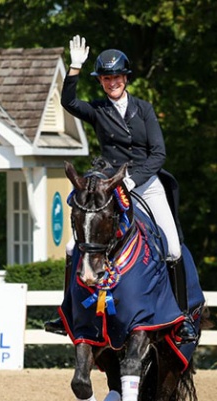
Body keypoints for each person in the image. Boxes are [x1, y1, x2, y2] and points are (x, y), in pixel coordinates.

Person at [45, 35, 197, 345]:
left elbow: (158, 154)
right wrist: (74, 67)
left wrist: (132, 180)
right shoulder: (98, 110)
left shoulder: (144, 109)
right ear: (100, 81)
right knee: (74, 248)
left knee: (172, 248)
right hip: (108, 183)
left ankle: (182, 319)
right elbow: (69, 103)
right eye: (105, 78)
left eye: (116, 77)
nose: (112, 82)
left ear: (125, 78)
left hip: (145, 182)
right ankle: (68, 314)